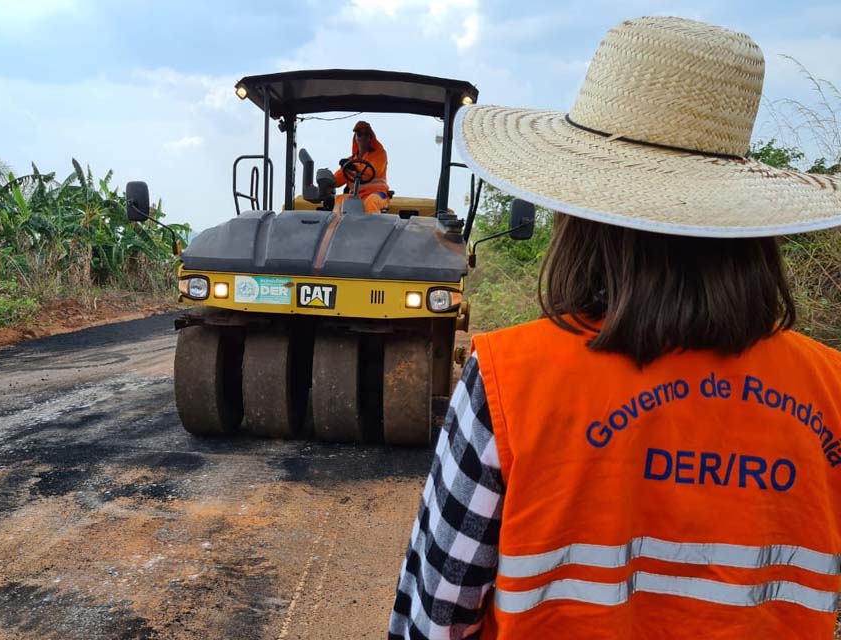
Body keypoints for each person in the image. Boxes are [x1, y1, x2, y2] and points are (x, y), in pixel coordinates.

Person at [389, 15, 841, 640]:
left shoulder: (509, 383)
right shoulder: (830, 388)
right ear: (746, 227)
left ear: (581, 215)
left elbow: (434, 618)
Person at [332, 120, 390, 213]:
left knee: (371, 201)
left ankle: (371, 227)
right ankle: (335, 226)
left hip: (377, 194)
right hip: (356, 196)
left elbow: (371, 172)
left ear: (371, 137)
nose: (363, 137)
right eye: (360, 134)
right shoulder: (350, 162)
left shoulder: (379, 155)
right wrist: (326, 180)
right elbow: (336, 181)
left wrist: (353, 166)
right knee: (340, 200)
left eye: (366, 134)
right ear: (355, 138)